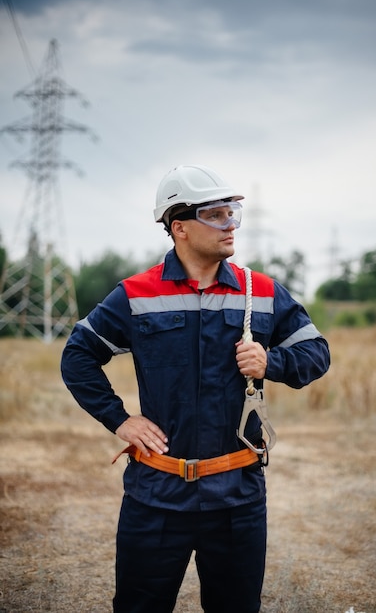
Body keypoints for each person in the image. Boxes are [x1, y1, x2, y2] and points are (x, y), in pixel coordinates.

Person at [61, 164, 330, 613]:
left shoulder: (260, 293)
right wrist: (120, 419)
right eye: (217, 215)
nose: (230, 225)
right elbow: (77, 356)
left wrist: (272, 361)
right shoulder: (135, 294)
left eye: (233, 214)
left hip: (237, 497)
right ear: (179, 227)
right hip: (155, 496)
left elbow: (317, 353)